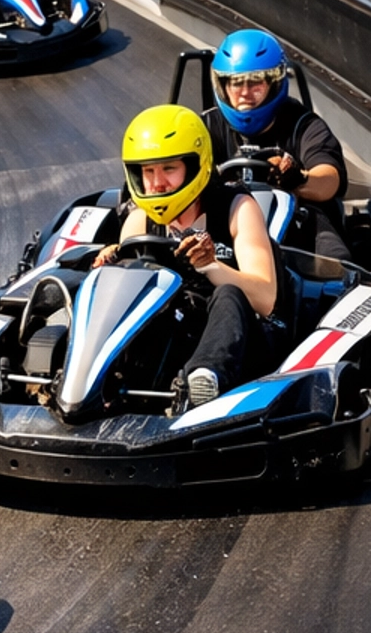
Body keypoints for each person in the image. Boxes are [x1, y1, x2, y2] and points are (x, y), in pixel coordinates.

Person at [106, 105, 289, 411]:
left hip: (244, 340)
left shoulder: (237, 209)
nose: (157, 183)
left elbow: (265, 296)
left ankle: (206, 379)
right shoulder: (139, 222)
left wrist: (211, 266)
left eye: (168, 169)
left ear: (195, 166)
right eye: (148, 172)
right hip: (179, 331)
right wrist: (108, 264)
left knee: (228, 293)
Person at [203, 27, 351, 262]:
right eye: (235, 83)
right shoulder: (205, 127)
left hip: (297, 226)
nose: (244, 93)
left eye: (255, 83)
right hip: (226, 224)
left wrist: (297, 178)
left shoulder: (304, 125)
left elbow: (330, 179)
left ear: (274, 83)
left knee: (334, 257)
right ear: (222, 86)